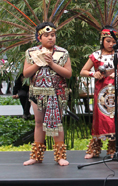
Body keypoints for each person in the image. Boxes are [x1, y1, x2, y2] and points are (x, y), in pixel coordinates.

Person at [23, 22, 72, 166]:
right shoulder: (31, 52)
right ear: (39, 38)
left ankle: (60, 156)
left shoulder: (63, 53)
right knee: (38, 123)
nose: (50, 38)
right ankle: (36, 156)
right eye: (46, 35)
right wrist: (39, 62)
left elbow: (68, 74)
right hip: (37, 93)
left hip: (58, 93)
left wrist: (51, 64)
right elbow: (26, 73)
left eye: (53, 35)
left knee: (57, 123)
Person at [80, 26, 118, 159]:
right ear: (102, 40)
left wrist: (115, 73)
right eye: (108, 41)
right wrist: (94, 74)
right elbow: (83, 71)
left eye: (113, 42)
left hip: (117, 92)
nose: (111, 44)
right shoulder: (96, 55)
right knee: (100, 118)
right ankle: (94, 148)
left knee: (116, 119)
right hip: (102, 93)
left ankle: (113, 148)